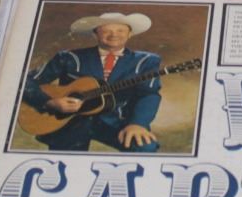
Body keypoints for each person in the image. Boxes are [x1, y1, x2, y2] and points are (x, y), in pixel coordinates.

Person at [20, 12, 163, 152]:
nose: (114, 35)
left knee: (145, 147)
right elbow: (25, 82)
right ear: (95, 34)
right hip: (68, 121)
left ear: (130, 34)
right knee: (66, 158)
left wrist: (138, 123)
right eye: (106, 31)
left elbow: (149, 94)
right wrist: (49, 102)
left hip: (118, 121)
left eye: (120, 30)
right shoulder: (69, 57)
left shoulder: (145, 61)